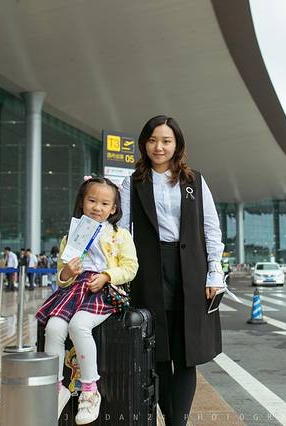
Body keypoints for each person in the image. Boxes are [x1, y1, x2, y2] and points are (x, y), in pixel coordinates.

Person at [119, 115, 225, 426]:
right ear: (144, 144)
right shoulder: (132, 183)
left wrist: (214, 272)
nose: (159, 147)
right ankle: (173, 421)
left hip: (190, 270)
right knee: (159, 356)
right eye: (152, 140)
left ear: (177, 145)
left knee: (187, 355)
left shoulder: (194, 181)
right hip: (150, 272)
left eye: (166, 141)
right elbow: (122, 232)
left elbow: (211, 228)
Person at [35, 176, 138, 424]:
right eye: (92, 200)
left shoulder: (120, 235)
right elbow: (62, 277)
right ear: (82, 202)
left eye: (104, 203)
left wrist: (106, 276)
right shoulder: (70, 237)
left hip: (103, 290)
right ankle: (56, 388)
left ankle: (90, 390)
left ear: (113, 209)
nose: (97, 207)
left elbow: (130, 267)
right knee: (53, 327)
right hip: (73, 291)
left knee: (78, 325)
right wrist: (67, 273)